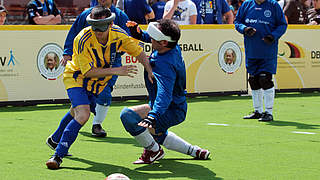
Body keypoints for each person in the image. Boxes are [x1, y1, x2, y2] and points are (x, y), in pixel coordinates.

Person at [45, 6, 153, 169]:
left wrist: (149, 70)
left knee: (75, 111)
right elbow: (87, 72)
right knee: (83, 114)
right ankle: (57, 156)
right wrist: (117, 70)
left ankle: (54, 140)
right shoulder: (82, 39)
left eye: (102, 26)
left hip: (98, 82)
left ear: (110, 24)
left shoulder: (119, 35)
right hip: (76, 77)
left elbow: (138, 52)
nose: (97, 31)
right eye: (94, 26)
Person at [120, 19, 210, 164]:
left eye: (153, 36)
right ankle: (194, 151)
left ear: (163, 43)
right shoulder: (172, 47)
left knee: (128, 117)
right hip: (171, 106)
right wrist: (139, 34)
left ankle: (153, 151)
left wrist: (153, 115)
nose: (150, 38)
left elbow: (164, 92)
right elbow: (156, 40)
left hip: (170, 109)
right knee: (156, 134)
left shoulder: (165, 63)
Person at [55, 0, 130, 138]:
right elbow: (74, 33)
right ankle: (59, 135)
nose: (102, 0)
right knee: (84, 100)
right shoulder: (87, 14)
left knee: (105, 91)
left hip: (112, 62)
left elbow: (128, 40)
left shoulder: (121, 16)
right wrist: (67, 53)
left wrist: (117, 52)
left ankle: (97, 124)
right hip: (88, 62)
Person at [234, 0, 287, 122]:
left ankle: (268, 112)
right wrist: (245, 29)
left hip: (268, 51)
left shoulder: (273, 5)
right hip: (251, 50)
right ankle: (257, 111)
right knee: (253, 81)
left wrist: (273, 36)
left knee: (265, 80)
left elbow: (282, 25)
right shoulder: (247, 5)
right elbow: (237, 22)